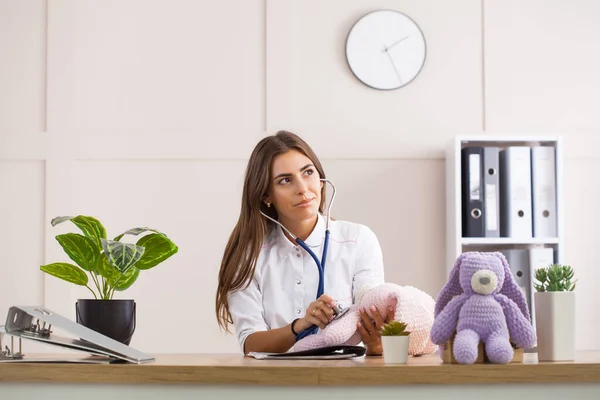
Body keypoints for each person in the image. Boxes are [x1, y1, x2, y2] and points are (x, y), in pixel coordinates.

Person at [215, 130, 394, 356]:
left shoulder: (358, 239)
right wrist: (300, 325)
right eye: (285, 180)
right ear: (266, 196)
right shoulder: (249, 255)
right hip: (278, 386)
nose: (302, 188)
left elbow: (373, 321)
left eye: (308, 172)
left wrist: (378, 342)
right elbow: (250, 343)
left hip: (345, 382)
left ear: (320, 181)